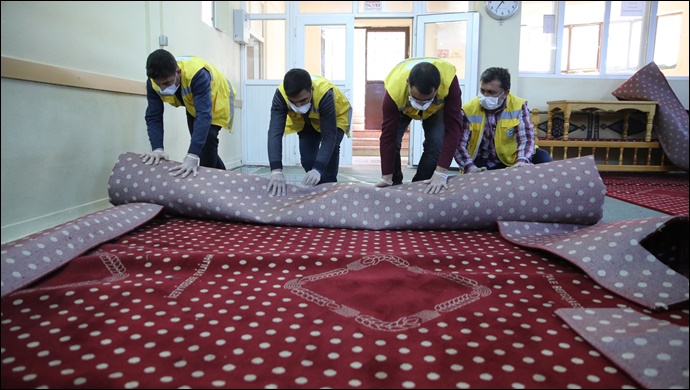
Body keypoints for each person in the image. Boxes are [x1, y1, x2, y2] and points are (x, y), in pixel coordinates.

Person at [140, 49, 236, 178]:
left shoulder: (197, 74)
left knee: (205, 145)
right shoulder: (152, 83)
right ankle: (227, 180)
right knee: (202, 148)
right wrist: (157, 149)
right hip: (192, 102)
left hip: (217, 99)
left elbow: (204, 114)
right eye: (159, 84)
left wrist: (192, 155)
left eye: (167, 83)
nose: (162, 89)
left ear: (178, 72)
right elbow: (153, 116)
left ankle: (208, 187)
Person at [376, 57, 464, 194]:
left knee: (436, 143)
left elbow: (453, 129)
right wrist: (387, 176)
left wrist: (441, 172)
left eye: (426, 99)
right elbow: (388, 137)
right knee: (395, 142)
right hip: (403, 107)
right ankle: (395, 182)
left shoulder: (449, 83)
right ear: (408, 84)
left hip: (436, 109)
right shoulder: (394, 91)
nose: (421, 104)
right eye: (416, 98)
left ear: (438, 88)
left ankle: (421, 185)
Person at [266, 68, 352, 196]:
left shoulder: (325, 93)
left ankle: (330, 192)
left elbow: (329, 137)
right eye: (293, 102)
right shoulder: (281, 95)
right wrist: (276, 170)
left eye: (303, 100)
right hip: (306, 121)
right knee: (308, 160)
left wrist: (318, 169)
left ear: (312, 90)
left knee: (328, 160)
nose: (299, 106)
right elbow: (275, 132)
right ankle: (317, 194)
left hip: (335, 117)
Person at [454, 67, 552, 174]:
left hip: (512, 158)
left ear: (505, 93)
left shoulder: (518, 106)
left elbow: (526, 138)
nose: (485, 96)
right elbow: (459, 144)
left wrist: (522, 161)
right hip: (482, 160)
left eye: (491, 92)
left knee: (544, 159)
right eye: (482, 91)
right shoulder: (468, 109)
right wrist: (470, 167)